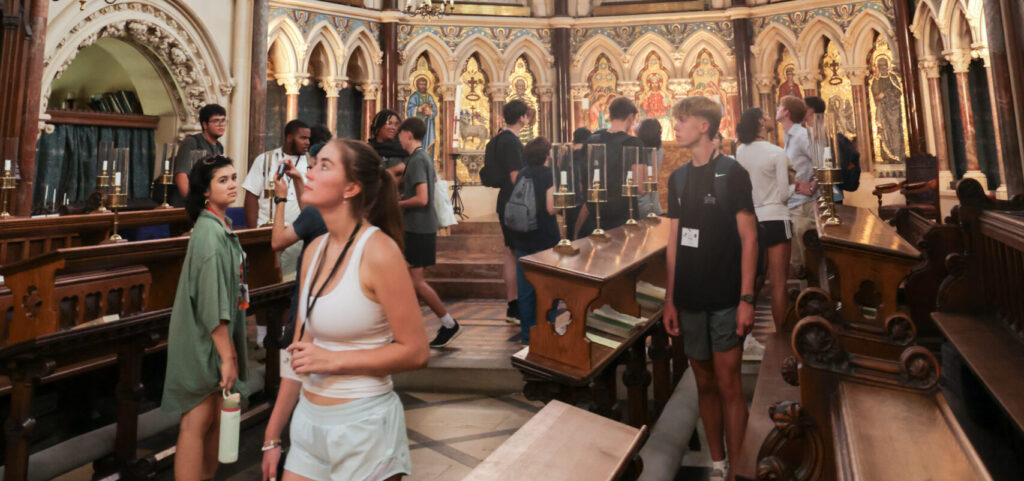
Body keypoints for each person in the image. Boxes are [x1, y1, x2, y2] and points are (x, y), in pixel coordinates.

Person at [259, 139, 429, 481]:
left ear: (351, 187)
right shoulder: (314, 251)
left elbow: (416, 352)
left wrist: (335, 360)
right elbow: (299, 352)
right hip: (308, 423)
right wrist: (272, 434)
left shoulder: (380, 252)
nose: (310, 172)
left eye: (324, 165)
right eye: (314, 162)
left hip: (363, 424)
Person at [663, 96, 758, 481]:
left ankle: (738, 468)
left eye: (682, 120)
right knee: (703, 382)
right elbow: (673, 241)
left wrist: (747, 299)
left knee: (729, 384)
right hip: (688, 297)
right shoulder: (678, 178)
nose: (676, 126)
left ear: (705, 125)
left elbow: (749, 239)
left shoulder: (732, 173)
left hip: (725, 296)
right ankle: (718, 464)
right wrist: (670, 298)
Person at [162, 154, 248, 481]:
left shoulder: (220, 224)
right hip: (204, 338)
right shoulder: (209, 233)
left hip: (216, 337)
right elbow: (211, 304)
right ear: (206, 191)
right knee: (196, 421)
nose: (232, 185)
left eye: (233, 177)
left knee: (213, 418)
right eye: (222, 180)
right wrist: (227, 356)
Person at [396, 117, 460, 348]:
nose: (398, 137)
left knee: (417, 282)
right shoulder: (421, 157)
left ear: (408, 134)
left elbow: (422, 198)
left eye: (400, 133)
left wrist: (398, 204)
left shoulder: (417, 160)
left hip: (418, 228)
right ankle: (407, 329)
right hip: (417, 227)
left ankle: (449, 323)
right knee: (409, 281)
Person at [735, 107, 791, 331]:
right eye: (766, 116)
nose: (770, 119)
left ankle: (746, 337)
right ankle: (782, 342)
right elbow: (785, 194)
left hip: (752, 220)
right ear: (760, 121)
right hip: (777, 217)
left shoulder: (740, 152)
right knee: (779, 285)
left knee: (754, 282)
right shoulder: (776, 152)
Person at [243, 119, 311, 277]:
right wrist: (253, 233)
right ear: (289, 138)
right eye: (303, 138)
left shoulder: (310, 163)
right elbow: (251, 197)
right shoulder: (265, 160)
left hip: (297, 237)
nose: (307, 142)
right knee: (265, 280)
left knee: (291, 281)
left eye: (309, 138)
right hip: (266, 234)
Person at [484, 99, 531, 325]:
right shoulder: (511, 142)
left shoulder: (497, 139)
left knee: (510, 252)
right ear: (522, 117)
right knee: (518, 252)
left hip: (506, 201)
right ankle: (519, 305)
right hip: (515, 202)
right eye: (527, 114)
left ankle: (514, 306)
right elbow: (516, 177)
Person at [511, 137, 559, 344]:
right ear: (547, 155)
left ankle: (527, 335)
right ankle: (546, 331)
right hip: (544, 237)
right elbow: (551, 208)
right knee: (549, 287)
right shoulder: (549, 174)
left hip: (522, 236)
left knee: (526, 288)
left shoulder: (523, 172)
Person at [579, 96, 644, 233]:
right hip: (623, 218)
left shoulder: (591, 140)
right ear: (630, 117)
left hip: (594, 216)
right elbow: (640, 188)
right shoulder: (633, 143)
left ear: (611, 115)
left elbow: (582, 182)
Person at [777, 96, 817, 277]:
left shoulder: (801, 135)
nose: (776, 109)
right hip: (794, 203)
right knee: (798, 261)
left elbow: (824, 161)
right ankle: (804, 299)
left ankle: (814, 298)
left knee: (807, 257)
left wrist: (813, 186)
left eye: (779, 106)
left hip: (804, 204)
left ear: (786, 112)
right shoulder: (788, 135)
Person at [172, 104, 226, 206]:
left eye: (223, 120)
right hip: (187, 206)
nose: (221, 124)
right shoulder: (191, 142)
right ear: (205, 125)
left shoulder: (219, 147)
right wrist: (194, 203)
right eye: (216, 121)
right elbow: (181, 176)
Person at [368, 109, 409, 183]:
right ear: (379, 126)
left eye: (396, 124)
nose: (393, 128)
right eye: (389, 123)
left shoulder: (404, 151)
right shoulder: (368, 151)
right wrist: (395, 169)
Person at [636, 118, 664, 217]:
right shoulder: (659, 149)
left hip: (640, 205)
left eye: (638, 123)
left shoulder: (638, 150)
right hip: (654, 204)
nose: (635, 125)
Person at [568, 127, 591, 239]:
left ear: (573, 141)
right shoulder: (589, 157)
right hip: (584, 207)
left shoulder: (564, 157)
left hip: (567, 206)